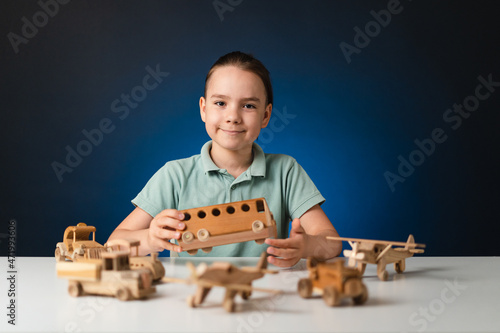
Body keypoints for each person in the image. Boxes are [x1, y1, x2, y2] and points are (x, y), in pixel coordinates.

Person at [108, 51, 342, 267]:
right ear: (203, 109)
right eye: (220, 103)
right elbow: (114, 244)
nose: (233, 116)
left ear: (266, 115)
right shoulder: (175, 175)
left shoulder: (285, 171)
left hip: (263, 294)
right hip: (191, 299)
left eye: (248, 105)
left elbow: (332, 242)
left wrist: (306, 247)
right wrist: (150, 239)